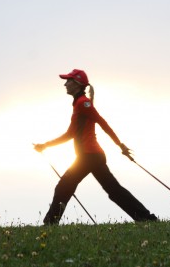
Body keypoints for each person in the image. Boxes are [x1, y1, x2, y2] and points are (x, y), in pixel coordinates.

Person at [34, 69, 158, 225]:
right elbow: (70, 134)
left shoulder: (83, 103)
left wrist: (120, 145)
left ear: (77, 84)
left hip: (88, 156)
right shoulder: (78, 105)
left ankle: (50, 224)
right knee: (113, 190)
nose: (65, 84)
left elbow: (102, 122)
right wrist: (45, 145)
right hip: (90, 156)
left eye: (68, 81)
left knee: (63, 187)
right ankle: (146, 218)